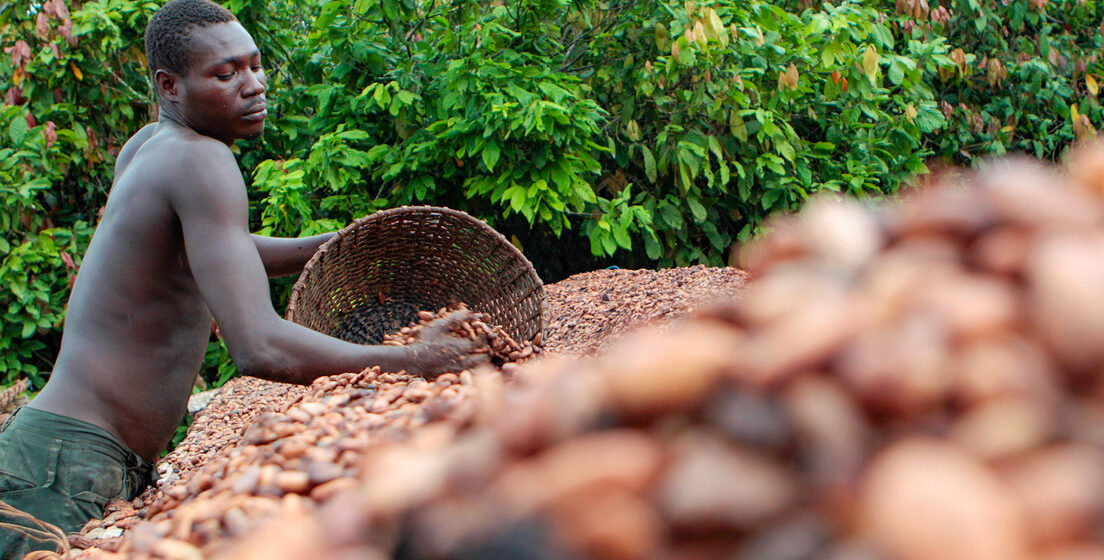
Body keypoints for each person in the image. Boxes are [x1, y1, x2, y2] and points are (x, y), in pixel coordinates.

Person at [0, 0, 486, 556]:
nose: (253, 85)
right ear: (170, 85)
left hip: (69, 454)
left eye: (255, 66)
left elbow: (216, 250)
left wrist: (336, 247)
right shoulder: (201, 160)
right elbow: (259, 347)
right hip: (64, 467)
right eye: (226, 74)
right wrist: (417, 361)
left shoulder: (150, 146)